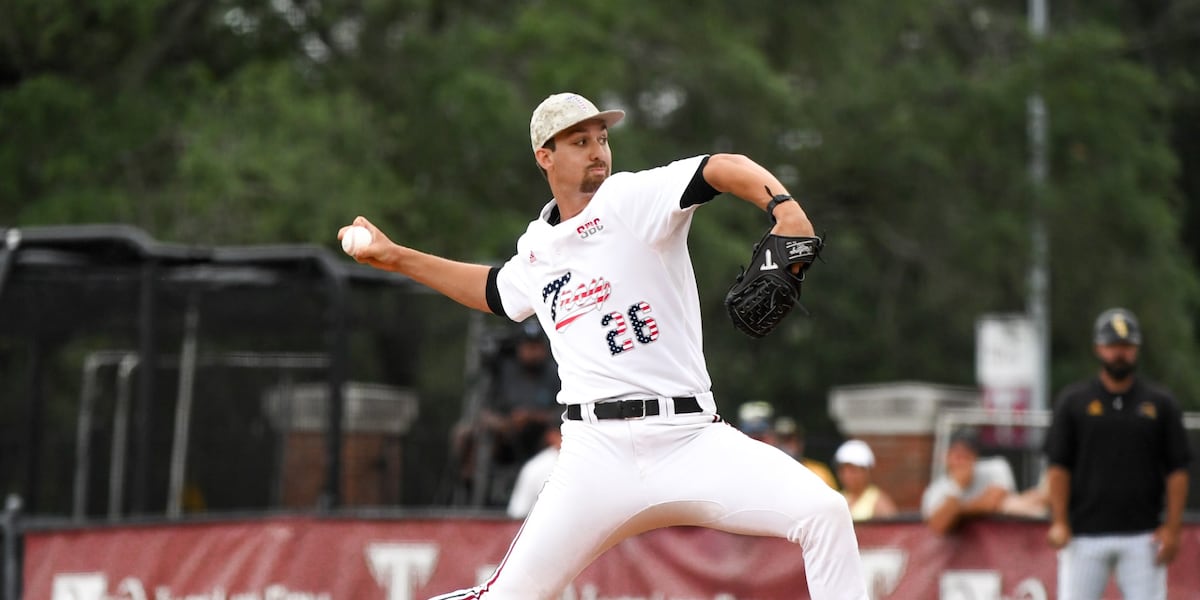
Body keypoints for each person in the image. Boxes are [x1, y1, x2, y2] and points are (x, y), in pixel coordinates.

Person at [340, 92, 867, 599]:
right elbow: (494, 291)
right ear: (544, 157)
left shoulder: (630, 199)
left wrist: (783, 207)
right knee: (510, 596)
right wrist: (396, 258)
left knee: (824, 514)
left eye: (601, 137)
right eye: (579, 141)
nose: (597, 150)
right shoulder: (539, 247)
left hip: (688, 439)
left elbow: (719, 167)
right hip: (595, 456)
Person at [1044, 307, 1190, 600]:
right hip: (1085, 535)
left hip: (1142, 535)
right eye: (1113, 347)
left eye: (1126, 347)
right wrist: (1059, 520)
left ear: (1135, 350)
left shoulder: (1160, 403)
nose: (1119, 354)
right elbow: (1058, 465)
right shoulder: (1074, 401)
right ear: (1099, 348)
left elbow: (1178, 468)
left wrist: (1172, 528)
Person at [920, 427, 1016, 535]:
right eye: (957, 456)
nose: (961, 461)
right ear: (946, 457)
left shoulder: (996, 467)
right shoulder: (934, 490)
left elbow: (993, 502)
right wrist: (957, 487)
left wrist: (956, 511)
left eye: (966, 456)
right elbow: (937, 526)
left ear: (975, 457)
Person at [506, 417, 563, 519]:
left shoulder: (595, 461)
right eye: (562, 434)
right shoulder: (535, 467)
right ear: (551, 436)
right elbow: (518, 512)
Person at [834, 439, 898, 520]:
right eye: (843, 470)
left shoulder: (879, 501)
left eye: (853, 470)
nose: (847, 475)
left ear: (866, 471)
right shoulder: (837, 498)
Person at [776, 415, 838, 489]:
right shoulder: (769, 472)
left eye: (791, 439)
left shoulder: (819, 473)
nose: (787, 445)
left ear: (801, 442)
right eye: (782, 440)